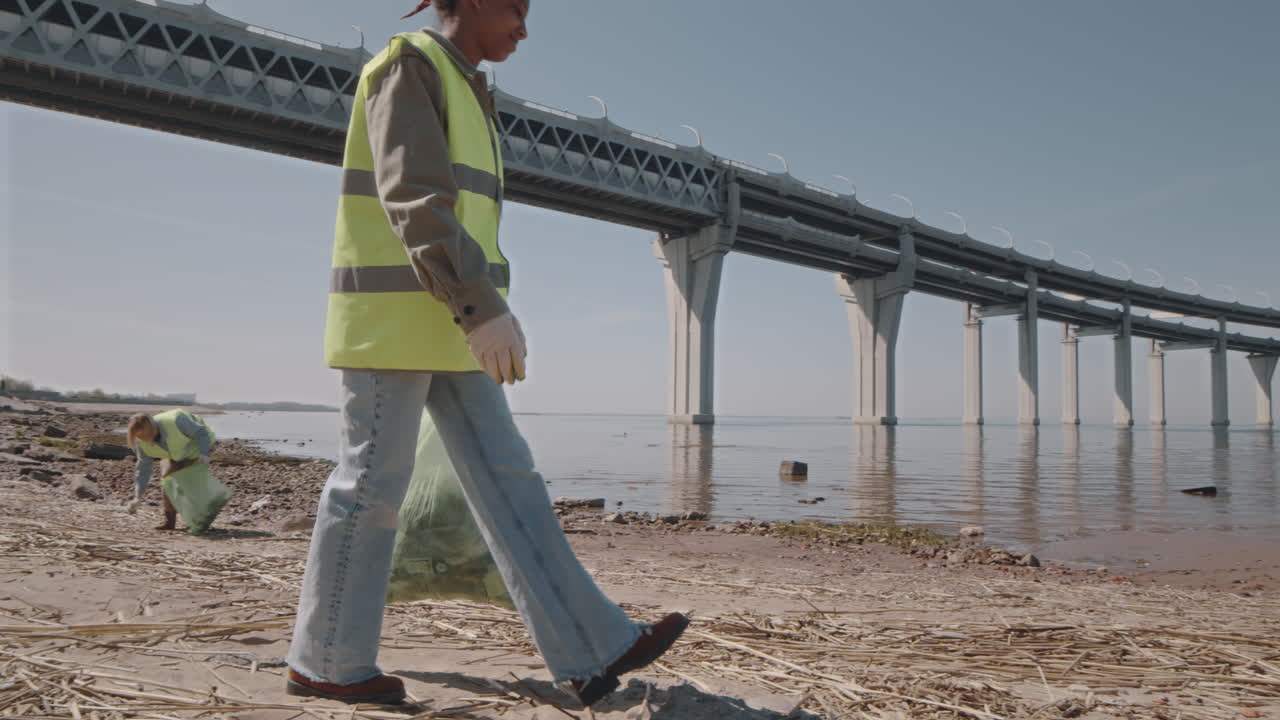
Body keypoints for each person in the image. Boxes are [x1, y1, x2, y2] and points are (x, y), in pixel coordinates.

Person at [284, 0, 688, 708]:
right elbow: (415, 198)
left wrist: (481, 311)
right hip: (396, 322)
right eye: (515, 9)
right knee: (371, 488)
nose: (525, 29)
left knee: (510, 478)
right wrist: (480, 306)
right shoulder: (409, 65)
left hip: (447, 321)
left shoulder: (469, 86)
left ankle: (593, 647)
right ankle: (325, 661)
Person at [126, 409, 215, 530]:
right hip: (174, 454)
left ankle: (200, 521)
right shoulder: (141, 442)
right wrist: (138, 496)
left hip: (197, 449)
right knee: (167, 482)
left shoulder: (176, 421)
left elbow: (202, 432)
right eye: (139, 436)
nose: (144, 439)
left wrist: (204, 454)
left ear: (152, 427)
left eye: (145, 435)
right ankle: (170, 522)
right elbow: (143, 468)